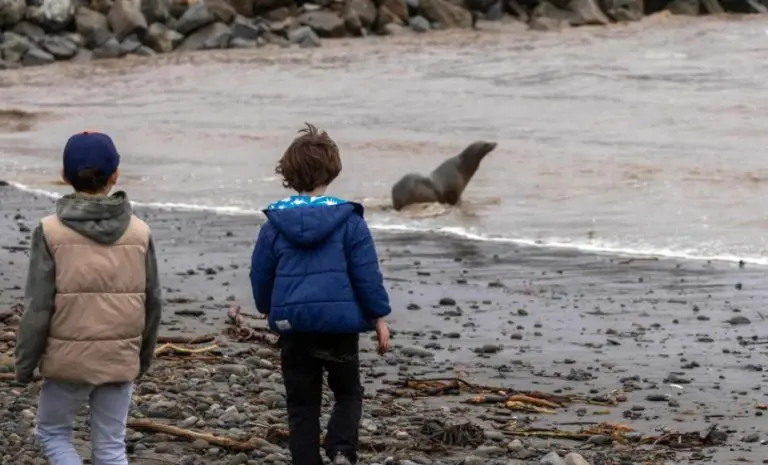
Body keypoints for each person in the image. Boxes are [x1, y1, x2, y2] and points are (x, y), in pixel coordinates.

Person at [14, 131, 163, 465]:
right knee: (111, 446)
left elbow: (37, 307)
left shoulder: (50, 230)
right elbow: (153, 302)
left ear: (65, 176)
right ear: (116, 175)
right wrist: (143, 357)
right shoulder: (139, 231)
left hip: (68, 361)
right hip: (119, 358)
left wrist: (25, 365)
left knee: (52, 434)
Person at [250, 123, 392, 465]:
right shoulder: (349, 221)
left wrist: (267, 307)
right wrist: (379, 317)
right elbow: (366, 275)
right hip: (339, 328)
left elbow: (260, 274)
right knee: (348, 392)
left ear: (289, 174)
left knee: (302, 405)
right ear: (333, 169)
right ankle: (342, 448)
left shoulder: (274, 226)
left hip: (293, 326)